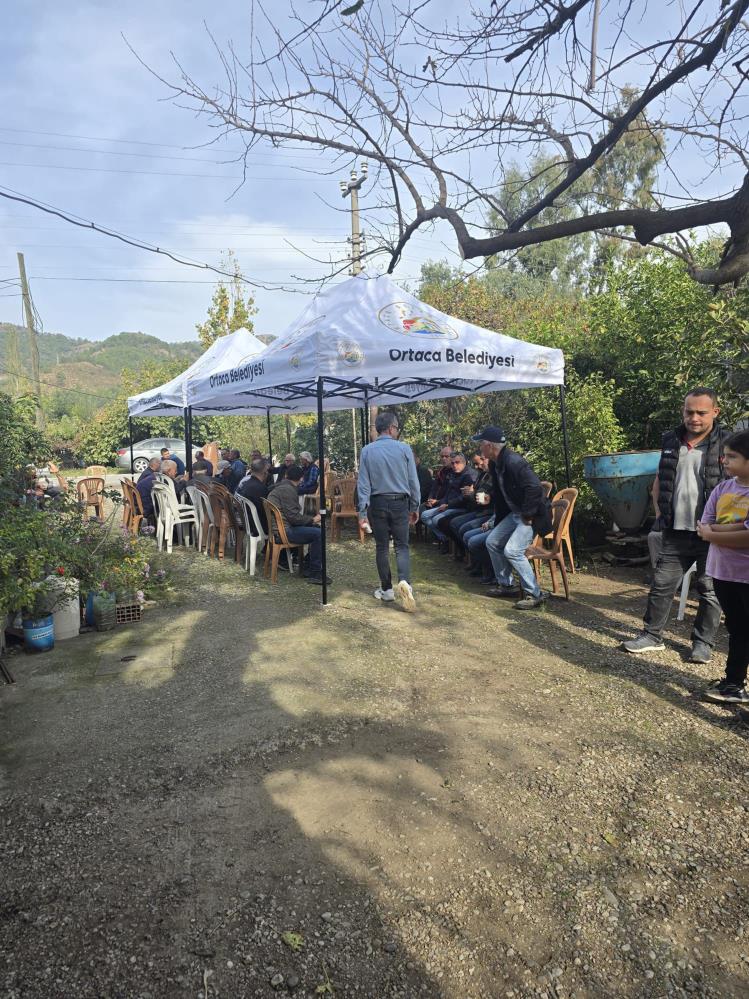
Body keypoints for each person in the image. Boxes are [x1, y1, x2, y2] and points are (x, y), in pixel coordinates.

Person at [623, 388, 729, 662]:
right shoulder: (671, 440)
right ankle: (651, 635)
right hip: (675, 530)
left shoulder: (727, 443)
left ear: (715, 412)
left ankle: (702, 643)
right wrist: (660, 513)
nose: (694, 418)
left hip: (712, 533)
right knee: (661, 585)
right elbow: (661, 479)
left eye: (701, 412)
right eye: (689, 411)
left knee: (709, 590)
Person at [473, 425, 552, 610]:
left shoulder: (514, 461)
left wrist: (528, 516)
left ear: (490, 446)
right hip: (515, 513)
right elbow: (499, 490)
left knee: (513, 551)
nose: (479, 449)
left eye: (481, 445)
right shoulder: (495, 463)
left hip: (531, 514)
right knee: (492, 542)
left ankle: (535, 593)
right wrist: (489, 497)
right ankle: (507, 585)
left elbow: (534, 488)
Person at [696, 430, 749, 704]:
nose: (724, 461)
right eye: (725, 455)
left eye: (732, 456)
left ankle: (734, 683)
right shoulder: (722, 489)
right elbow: (703, 524)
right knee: (738, 629)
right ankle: (733, 684)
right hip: (723, 573)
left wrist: (715, 534)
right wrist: (731, 528)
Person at [357, 411, 421, 612]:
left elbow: (363, 484)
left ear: (378, 428)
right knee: (402, 546)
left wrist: (362, 512)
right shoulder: (404, 448)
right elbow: (413, 481)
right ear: (392, 428)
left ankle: (387, 590)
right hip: (401, 503)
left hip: (378, 503)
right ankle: (405, 583)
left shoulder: (367, 450)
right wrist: (415, 506)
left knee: (382, 547)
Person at [268, 465, 329, 584]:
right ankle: (315, 572)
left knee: (315, 529)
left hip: (280, 528)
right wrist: (313, 519)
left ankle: (307, 566)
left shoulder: (281, 486)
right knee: (319, 533)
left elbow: (292, 516)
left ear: (286, 475)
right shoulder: (287, 490)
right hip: (283, 531)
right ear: (301, 479)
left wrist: (311, 522)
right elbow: (294, 518)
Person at [419, 453, 477, 549]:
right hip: (448, 504)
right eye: (453, 463)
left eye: (457, 462)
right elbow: (446, 493)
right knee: (424, 514)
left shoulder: (469, 476)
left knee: (435, 519)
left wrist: (447, 505)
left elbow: (463, 498)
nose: (454, 465)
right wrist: (437, 501)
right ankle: (444, 538)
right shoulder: (452, 474)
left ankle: (452, 544)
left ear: (464, 462)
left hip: (461, 507)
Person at [237, 458, 270, 534]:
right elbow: (266, 512)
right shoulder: (260, 488)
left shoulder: (244, 484)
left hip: (247, 524)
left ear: (251, 470)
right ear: (265, 472)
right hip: (259, 527)